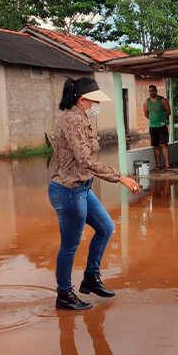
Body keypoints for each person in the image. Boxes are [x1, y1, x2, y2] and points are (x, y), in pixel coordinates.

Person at [49, 77, 141, 310]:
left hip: (82, 188)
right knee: (70, 245)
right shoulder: (72, 121)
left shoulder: (81, 119)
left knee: (105, 228)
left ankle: (91, 277)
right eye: (94, 101)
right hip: (68, 190)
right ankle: (64, 294)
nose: (96, 106)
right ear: (82, 100)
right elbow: (85, 160)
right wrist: (120, 177)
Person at [143, 85, 172, 171]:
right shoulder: (146, 102)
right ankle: (158, 165)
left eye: (153, 90)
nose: (152, 92)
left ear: (156, 91)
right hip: (153, 127)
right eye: (150, 91)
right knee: (155, 146)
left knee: (164, 145)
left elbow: (168, 111)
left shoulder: (162, 100)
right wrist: (153, 120)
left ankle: (167, 165)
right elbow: (146, 114)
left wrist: (161, 118)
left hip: (162, 126)